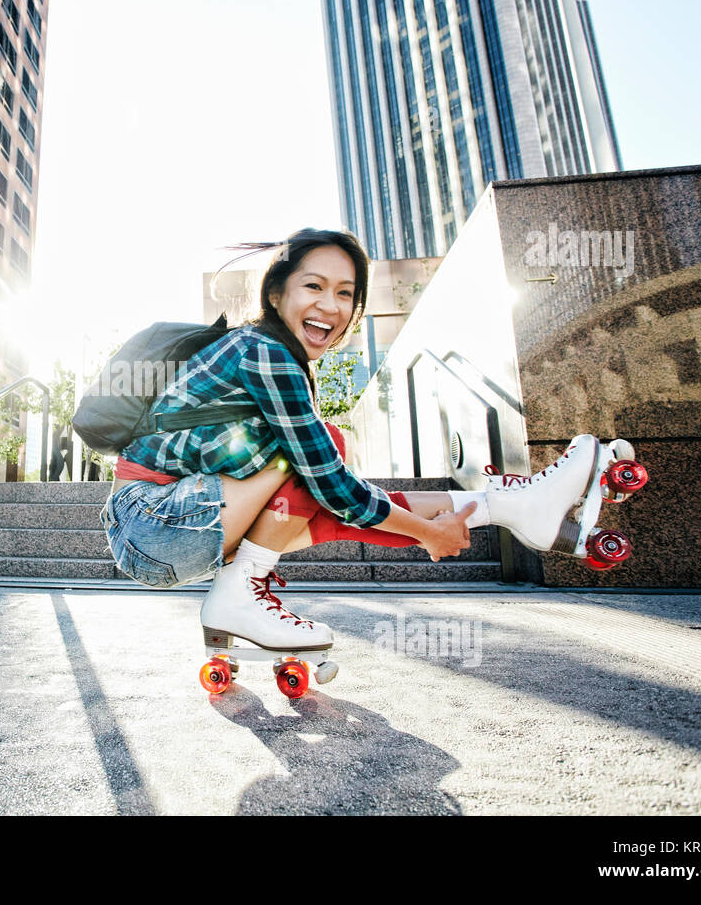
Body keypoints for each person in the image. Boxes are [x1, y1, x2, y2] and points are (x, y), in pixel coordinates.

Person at [99, 227, 606, 652]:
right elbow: (334, 484)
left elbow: (339, 505)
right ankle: (240, 590)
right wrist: (426, 534)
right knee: (323, 455)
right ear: (276, 295)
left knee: (324, 503)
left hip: (173, 528)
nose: (330, 305)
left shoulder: (275, 357)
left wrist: (449, 520)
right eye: (313, 286)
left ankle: (512, 508)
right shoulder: (264, 353)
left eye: (345, 293)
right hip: (154, 522)